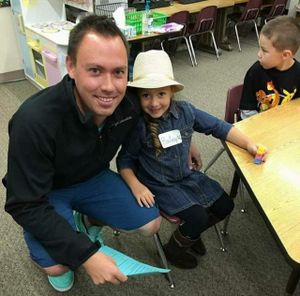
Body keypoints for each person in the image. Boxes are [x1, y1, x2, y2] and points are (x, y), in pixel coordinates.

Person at [2, 15, 163, 292]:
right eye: (95, 71)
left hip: (93, 178)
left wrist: (178, 140)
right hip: (46, 192)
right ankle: (53, 253)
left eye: (119, 72)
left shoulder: (129, 105)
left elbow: (160, 110)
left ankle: (87, 219)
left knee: (151, 223)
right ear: (71, 67)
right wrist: (85, 254)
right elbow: (23, 203)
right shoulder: (33, 121)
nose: (110, 87)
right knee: (61, 264)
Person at [116, 50, 266, 270]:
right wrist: (136, 186)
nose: (154, 102)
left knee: (225, 205)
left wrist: (249, 144)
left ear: (172, 92)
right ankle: (174, 248)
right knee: (197, 217)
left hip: (186, 175)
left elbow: (219, 127)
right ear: (137, 96)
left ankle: (189, 235)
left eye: (161, 94)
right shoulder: (138, 126)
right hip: (160, 185)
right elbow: (124, 161)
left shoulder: (185, 111)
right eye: (146, 95)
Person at [239, 16, 300, 119]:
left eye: (264, 50)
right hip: (258, 127)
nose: (259, 54)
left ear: (285, 55)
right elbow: (246, 111)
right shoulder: (256, 71)